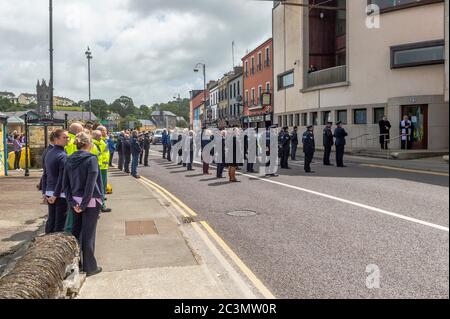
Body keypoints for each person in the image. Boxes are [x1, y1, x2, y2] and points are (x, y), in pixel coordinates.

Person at [63, 132, 102, 277]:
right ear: (88, 144)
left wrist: (73, 202)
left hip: (75, 201)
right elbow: (90, 185)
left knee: (76, 232)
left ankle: (75, 264)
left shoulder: (69, 159)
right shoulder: (91, 159)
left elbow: (65, 184)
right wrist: (84, 204)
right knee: (88, 234)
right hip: (90, 202)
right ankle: (90, 267)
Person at [43, 129, 69, 233]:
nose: (67, 139)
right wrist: (56, 195)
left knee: (51, 220)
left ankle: (46, 243)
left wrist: (45, 193)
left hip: (50, 192)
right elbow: (62, 178)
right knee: (59, 224)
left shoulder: (49, 153)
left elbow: (45, 175)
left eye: (68, 137)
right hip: (59, 194)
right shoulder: (63, 155)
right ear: (56, 139)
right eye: (64, 137)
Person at [92, 129, 112, 213]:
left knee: (102, 188)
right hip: (99, 168)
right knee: (99, 188)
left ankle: (101, 205)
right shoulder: (94, 144)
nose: (105, 132)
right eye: (104, 130)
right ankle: (100, 206)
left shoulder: (102, 142)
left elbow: (105, 154)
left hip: (103, 167)